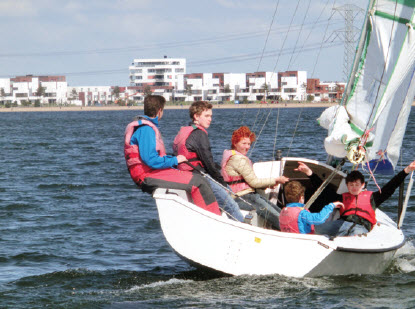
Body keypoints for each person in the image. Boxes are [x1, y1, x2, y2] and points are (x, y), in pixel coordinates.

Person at [124, 95, 220, 215]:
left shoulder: (146, 127)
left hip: (151, 172)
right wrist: (174, 160)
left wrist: (174, 160)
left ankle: (202, 214)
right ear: (160, 111)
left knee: (198, 180)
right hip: (146, 175)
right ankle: (213, 217)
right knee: (198, 182)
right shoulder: (146, 130)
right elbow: (150, 160)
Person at [298, 160, 415, 236]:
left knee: (355, 237)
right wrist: (309, 172)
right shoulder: (342, 198)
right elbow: (324, 189)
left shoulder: (373, 198)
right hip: (342, 224)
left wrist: (407, 170)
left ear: (362, 185)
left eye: (356, 185)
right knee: (315, 230)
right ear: (347, 186)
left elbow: (391, 186)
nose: (354, 188)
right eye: (351, 185)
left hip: (361, 227)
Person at [173, 101, 244, 222]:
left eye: (211, 116)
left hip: (187, 176)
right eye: (206, 116)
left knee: (221, 204)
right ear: (196, 116)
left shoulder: (185, 130)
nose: (210, 119)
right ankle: (244, 233)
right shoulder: (199, 134)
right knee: (233, 205)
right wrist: (223, 182)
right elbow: (208, 162)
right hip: (198, 176)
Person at [221, 126, 289, 229]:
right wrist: (276, 180)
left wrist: (268, 184)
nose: (247, 147)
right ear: (235, 143)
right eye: (243, 143)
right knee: (278, 217)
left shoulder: (232, 155)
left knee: (281, 213)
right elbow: (254, 182)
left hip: (247, 195)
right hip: (243, 197)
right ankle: (292, 232)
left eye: (249, 144)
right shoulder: (238, 159)